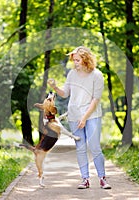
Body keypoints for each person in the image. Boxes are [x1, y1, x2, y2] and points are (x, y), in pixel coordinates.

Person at [47, 46, 111, 189]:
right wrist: (55, 87)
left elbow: (95, 100)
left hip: (92, 115)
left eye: (77, 60)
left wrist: (84, 118)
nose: (74, 63)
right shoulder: (71, 74)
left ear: (86, 59)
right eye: (73, 60)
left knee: (94, 147)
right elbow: (65, 93)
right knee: (80, 148)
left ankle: (102, 178)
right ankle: (85, 179)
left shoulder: (97, 75)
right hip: (74, 116)